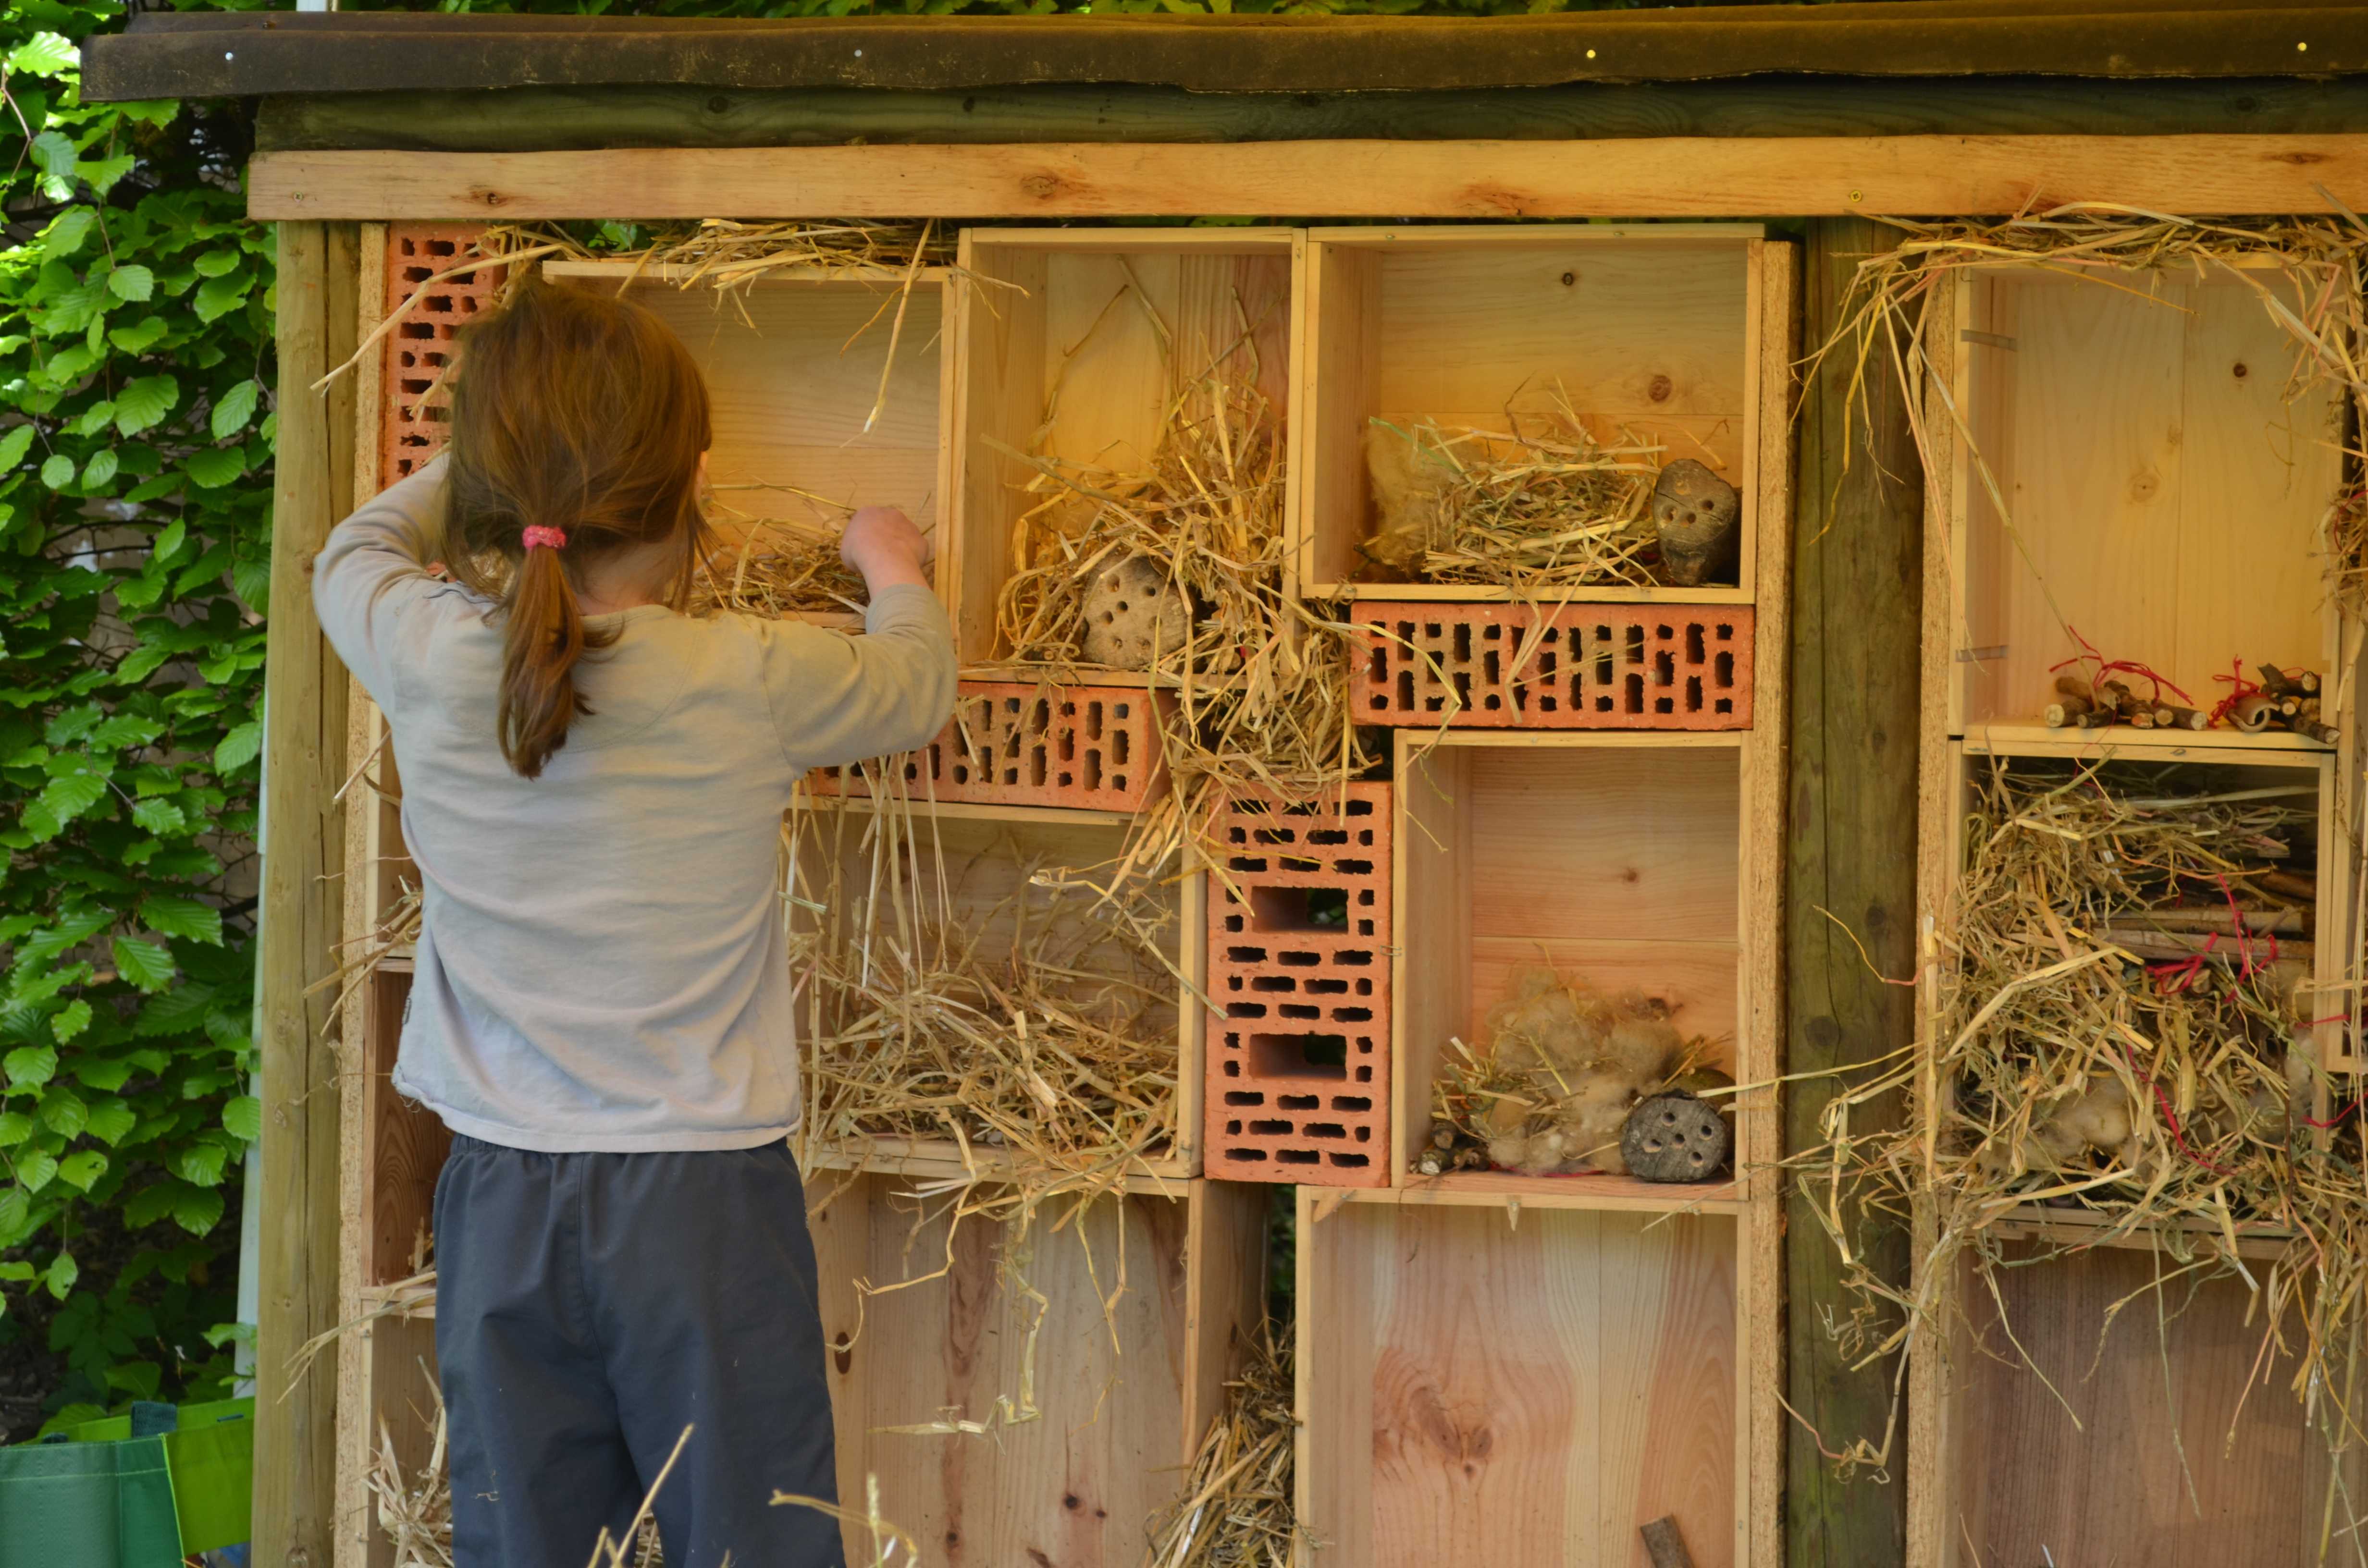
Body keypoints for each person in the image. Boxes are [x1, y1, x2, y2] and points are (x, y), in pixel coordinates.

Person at [312, 279, 953, 1568]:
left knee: (526, 1541)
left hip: (497, 1192)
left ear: (492, 491)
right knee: (752, 1539)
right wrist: (891, 563)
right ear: (695, 484)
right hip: (702, 1198)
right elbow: (915, 685)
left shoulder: (429, 653)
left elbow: (352, 553)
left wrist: (492, 463)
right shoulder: (750, 672)